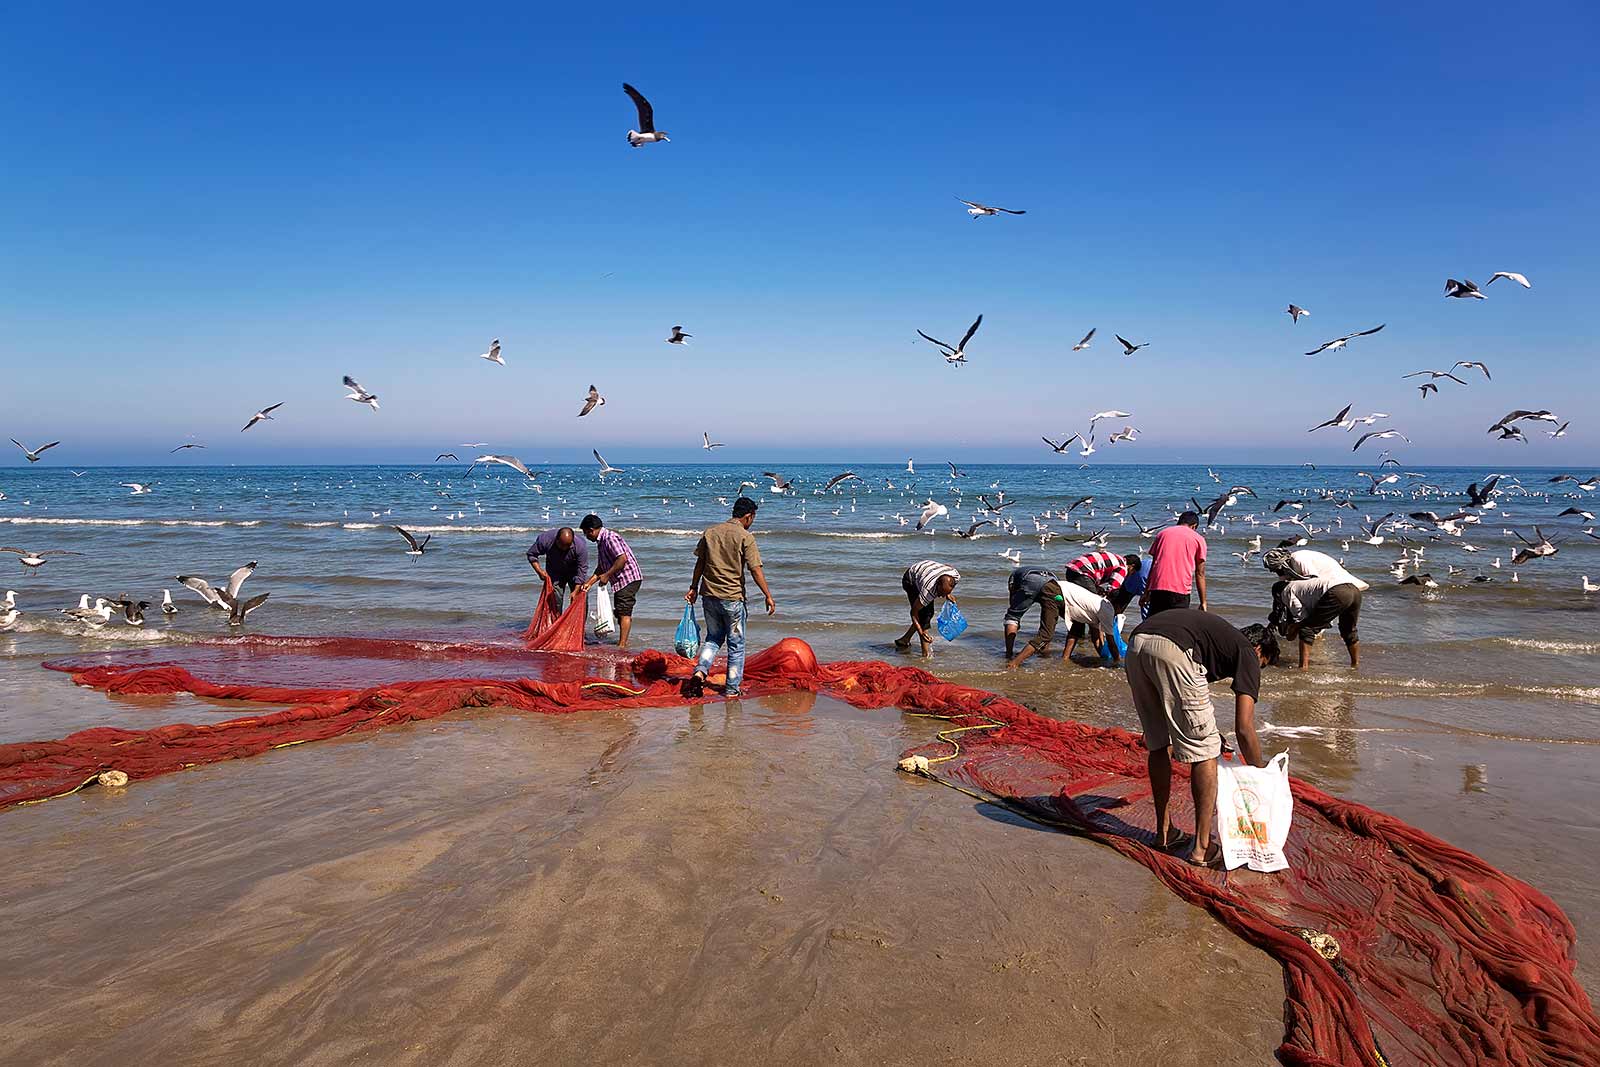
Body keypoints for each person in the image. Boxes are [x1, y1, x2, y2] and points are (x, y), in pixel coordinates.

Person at [1124, 609, 1279, 867]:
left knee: (1158, 743)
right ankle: (1202, 847)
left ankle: (1164, 833)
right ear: (1260, 650)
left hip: (1137, 644)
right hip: (1174, 648)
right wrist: (1258, 772)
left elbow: (1180, 704)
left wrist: (1210, 733)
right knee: (1206, 752)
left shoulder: (1220, 640)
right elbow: (1244, 727)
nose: (1258, 671)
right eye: (1263, 665)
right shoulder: (1248, 653)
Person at [684, 497, 776, 699]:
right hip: (732, 599)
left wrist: (693, 587)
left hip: (709, 596)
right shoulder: (745, 537)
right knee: (736, 645)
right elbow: (755, 570)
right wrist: (768, 595)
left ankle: (700, 672)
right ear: (748, 516)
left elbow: (700, 563)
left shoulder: (711, 532)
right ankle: (732, 689)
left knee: (713, 639)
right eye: (753, 518)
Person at [1263, 547, 1369, 670]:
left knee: (1306, 627)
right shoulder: (1289, 578)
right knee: (1348, 629)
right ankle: (1355, 665)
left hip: (1335, 590)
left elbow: (1300, 615)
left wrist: (1295, 627)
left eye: (1273, 569)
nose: (1273, 572)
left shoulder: (1297, 563)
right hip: (1353, 590)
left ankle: (1303, 668)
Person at [1004, 565, 1120, 669]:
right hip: (1055, 592)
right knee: (1045, 635)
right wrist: (1117, 661)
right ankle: (1013, 664)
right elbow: (1111, 641)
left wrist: (1104, 659)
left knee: (1076, 629)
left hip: (1053, 587)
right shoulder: (1107, 609)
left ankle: (1065, 658)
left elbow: (1095, 638)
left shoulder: (1099, 604)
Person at [577, 515, 644, 650]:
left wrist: (607, 575)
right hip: (620, 579)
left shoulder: (610, 538)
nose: (586, 536)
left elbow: (622, 559)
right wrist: (589, 583)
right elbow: (602, 566)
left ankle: (622, 645)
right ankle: (624, 641)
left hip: (628, 578)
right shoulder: (601, 541)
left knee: (624, 611)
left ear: (591, 530)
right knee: (620, 611)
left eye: (585, 533)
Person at [1143, 511, 1207, 615]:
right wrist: (1203, 602)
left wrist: (1146, 592)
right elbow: (1200, 573)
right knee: (1176, 626)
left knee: (1154, 624)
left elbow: (1154, 565)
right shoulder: (1198, 539)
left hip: (1157, 587)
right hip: (1180, 590)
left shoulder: (1162, 534)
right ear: (1194, 526)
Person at [896, 560, 960, 657]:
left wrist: (947, 594)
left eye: (944, 593)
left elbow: (947, 567)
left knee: (928, 614)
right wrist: (921, 632)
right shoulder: (928, 590)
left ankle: (904, 640)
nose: (941, 596)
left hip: (926, 570)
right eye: (941, 593)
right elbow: (914, 612)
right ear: (937, 585)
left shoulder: (955, 576)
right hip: (910, 579)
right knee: (924, 616)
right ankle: (925, 655)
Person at [526, 527, 589, 616]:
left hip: (574, 571)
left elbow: (582, 569)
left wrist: (575, 591)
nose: (564, 548)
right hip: (555, 571)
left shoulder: (580, 546)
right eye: (562, 545)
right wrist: (539, 571)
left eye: (567, 546)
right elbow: (532, 554)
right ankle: (556, 623)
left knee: (580, 597)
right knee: (555, 600)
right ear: (556, 540)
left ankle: (579, 626)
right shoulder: (545, 540)